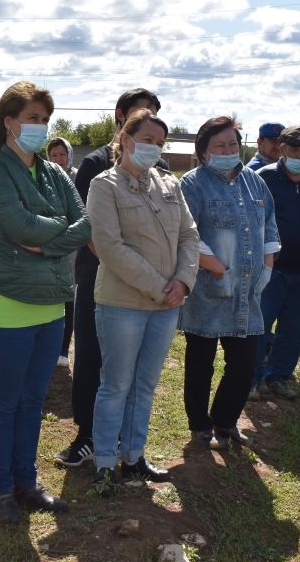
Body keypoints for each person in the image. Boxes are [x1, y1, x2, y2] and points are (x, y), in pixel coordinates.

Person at [0, 81, 90, 523]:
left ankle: (27, 481)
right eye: (32, 118)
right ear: (9, 122)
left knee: (32, 401)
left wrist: (51, 238)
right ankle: (2, 488)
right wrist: (60, 232)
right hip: (4, 304)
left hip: (50, 306)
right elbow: (20, 227)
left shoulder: (56, 173)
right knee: (4, 401)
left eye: (44, 119)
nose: (40, 127)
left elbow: (86, 222)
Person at [86, 109, 198, 493]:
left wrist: (182, 281)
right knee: (116, 384)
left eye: (160, 143)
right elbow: (109, 247)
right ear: (126, 139)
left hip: (166, 305)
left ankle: (133, 457)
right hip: (123, 304)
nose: (154, 148)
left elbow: (189, 236)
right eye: (147, 140)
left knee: (145, 385)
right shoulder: (105, 185)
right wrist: (160, 287)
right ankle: (103, 460)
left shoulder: (169, 185)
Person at [56, 87, 161, 467]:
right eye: (139, 113)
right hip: (100, 278)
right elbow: (90, 231)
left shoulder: (160, 172)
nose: (146, 120)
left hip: (145, 286)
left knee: (133, 368)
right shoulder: (95, 165)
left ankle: (127, 445)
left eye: (153, 114)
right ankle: (87, 435)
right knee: (92, 356)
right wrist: (125, 270)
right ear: (121, 116)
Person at [179, 116, 279, 449]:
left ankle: (224, 421)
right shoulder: (192, 184)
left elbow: (270, 226)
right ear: (205, 151)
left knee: (244, 362)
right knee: (200, 363)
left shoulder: (255, 182)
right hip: (208, 290)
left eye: (233, 144)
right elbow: (186, 232)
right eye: (220, 146)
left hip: (247, 293)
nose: (228, 150)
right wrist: (216, 266)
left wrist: (267, 266)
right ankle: (199, 425)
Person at [250, 126, 300, 401]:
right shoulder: (263, 178)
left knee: (294, 329)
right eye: (295, 149)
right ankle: (251, 380)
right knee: (259, 327)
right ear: (282, 149)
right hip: (270, 269)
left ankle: (278, 377)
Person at [46, 136, 78, 367]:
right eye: (53, 155)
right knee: (47, 296)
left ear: (69, 156)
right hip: (46, 243)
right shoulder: (42, 178)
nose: (58, 159)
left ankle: (63, 350)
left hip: (71, 246)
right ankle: (46, 344)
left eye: (62, 154)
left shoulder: (78, 178)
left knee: (68, 295)